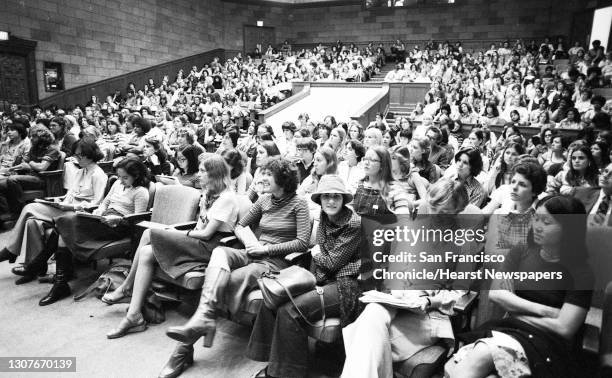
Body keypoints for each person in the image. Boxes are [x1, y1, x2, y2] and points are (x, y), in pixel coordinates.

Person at [163, 158, 310, 351]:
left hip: (274, 262)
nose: (261, 177)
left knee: (223, 281)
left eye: (268, 174)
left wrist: (265, 249)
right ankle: (201, 323)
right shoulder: (264, 200)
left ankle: (184, 348)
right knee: (219, 252)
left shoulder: (299, 204)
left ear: (283, 179)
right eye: (262, 172)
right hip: (253, 251)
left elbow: (302, 242)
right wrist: (252, 243)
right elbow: (241, 225)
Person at [446, 195, 594, 378]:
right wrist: (548, 311)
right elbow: (496, 294)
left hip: (547, 343)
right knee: (458, 367)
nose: (537, 226)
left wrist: (516, 309)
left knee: (479, 357)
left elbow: (564, 328)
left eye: (546, 222)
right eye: (536, 218)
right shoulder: (521, 250)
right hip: (508, 328)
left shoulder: (581, 273)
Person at [341, 178, 471, 378]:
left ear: (458, 211)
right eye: (433, 206)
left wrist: (430, 300)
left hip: (428, 312)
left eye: (444, 212)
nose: (435, 214)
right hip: (398, 301)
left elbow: (460, 293)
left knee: (364, 335)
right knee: (373, 313)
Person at [105, 154, 240, 339]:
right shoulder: (209, 193)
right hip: (197, 241)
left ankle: (126, 287)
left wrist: (176, 234)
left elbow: (207, 234)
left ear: (215, 174)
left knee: (149, 233)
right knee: (146, 252)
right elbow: (199, 226)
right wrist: (176, 233)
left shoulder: (227, 198)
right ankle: (133, 316)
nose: (198, 175)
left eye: (202, 171)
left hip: (212, 247)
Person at [246, 174, 362, 378]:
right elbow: (325, 257)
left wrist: (317, 253)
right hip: (322, 276)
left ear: (344, 199)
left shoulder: (353, 223)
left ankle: (285, 373)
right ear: (320, 199)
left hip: (346, 284)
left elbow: (333, 262)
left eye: (336, 196)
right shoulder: (326, 216)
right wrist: (318, 258)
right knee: (272, 299)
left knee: (291, 310)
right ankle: (271, 360)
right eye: (326, 196)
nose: (331, 201)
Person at [37, 158, 150, 306]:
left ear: (137, 176)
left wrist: (119, 220)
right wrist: (99, 211)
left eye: (125, 177)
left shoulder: (141, 192)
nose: (121, 180)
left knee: (65, 222)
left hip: (118, 226)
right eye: (120, 176)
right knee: (66, 225)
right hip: (103, 219)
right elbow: (105, 202)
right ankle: (59, 283)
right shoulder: (117, 183)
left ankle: (46, 270)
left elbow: (137, 220)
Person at [0, 139, 107, 281]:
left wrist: (71, 206)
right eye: (76, 155)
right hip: (65, 208)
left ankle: (11, 250)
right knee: (32, 222)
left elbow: (97, 204)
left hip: (78, 214)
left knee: (29, 207)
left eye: (80, 155)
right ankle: (36, 268)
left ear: (90, 155)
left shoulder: (98, 174)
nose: (77, 158)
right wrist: (59, 200)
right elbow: (70, 195)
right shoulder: (81, 172)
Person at [0, 125, 61, 217]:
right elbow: (24, 163)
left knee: (12, 180)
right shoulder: (34, 148)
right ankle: (6, 213)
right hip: (29, 176)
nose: (31, 138)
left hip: (42, 179)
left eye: (34, 136)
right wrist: (9, 169)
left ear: (42, 137)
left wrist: (31, 164)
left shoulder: (52, 149)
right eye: (31, 136)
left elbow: (41, 167)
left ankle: (18, 212)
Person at [352, 146, 411, 216]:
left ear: (383, 165)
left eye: (372, 160)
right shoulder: (356, 185)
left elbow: (403, 219)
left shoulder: (395, 190)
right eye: (365, 159)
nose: (366, 163)